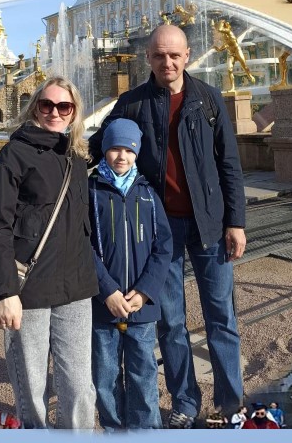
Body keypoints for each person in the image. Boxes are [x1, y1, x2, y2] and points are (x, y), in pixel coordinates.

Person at [91, 24, 247, 428]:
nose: (167, 62)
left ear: (187, 55)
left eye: (175, 55)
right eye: (159, 55)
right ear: (148, 57)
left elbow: (229, 163)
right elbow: (96, 147)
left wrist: (236, 221)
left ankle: (230, 402)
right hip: (160, 231)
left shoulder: (207, 99)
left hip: (210, 224)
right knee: (171, 322)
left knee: (221, 318)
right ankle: (186, 402)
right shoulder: (132, 102)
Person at [0, 77, 99, 429]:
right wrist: (6, 292)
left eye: (64, 106)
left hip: (76, 286)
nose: (54, 112)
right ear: (35, 106)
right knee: (32, 387)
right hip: (29, 289)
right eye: (47, 105)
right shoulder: (14, 155)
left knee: (80, 387)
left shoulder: (76, 154)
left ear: (74, 112)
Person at [88, 118, 173, 430]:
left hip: (141, 305)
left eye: (128, 149)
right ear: (105, 150)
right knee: (105, 375)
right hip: (103, 304)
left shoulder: (148, 193)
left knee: (143, 372)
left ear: (137, 152)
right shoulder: (91, 190)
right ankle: (114, 429)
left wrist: (146, 290)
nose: (121, 156)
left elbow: (163, 246)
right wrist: (107, 290)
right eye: (114, 149)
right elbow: (82, 245)